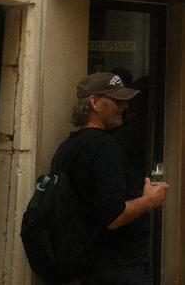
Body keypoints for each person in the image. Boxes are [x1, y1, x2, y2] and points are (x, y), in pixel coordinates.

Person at [49, 72, 168, 284]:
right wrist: (149, 200)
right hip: (119, 268)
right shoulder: (105, 148)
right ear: (94, 102)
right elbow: (114, 216)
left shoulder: (67, 147)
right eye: (118, 100)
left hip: (91, 265)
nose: (125, 106)